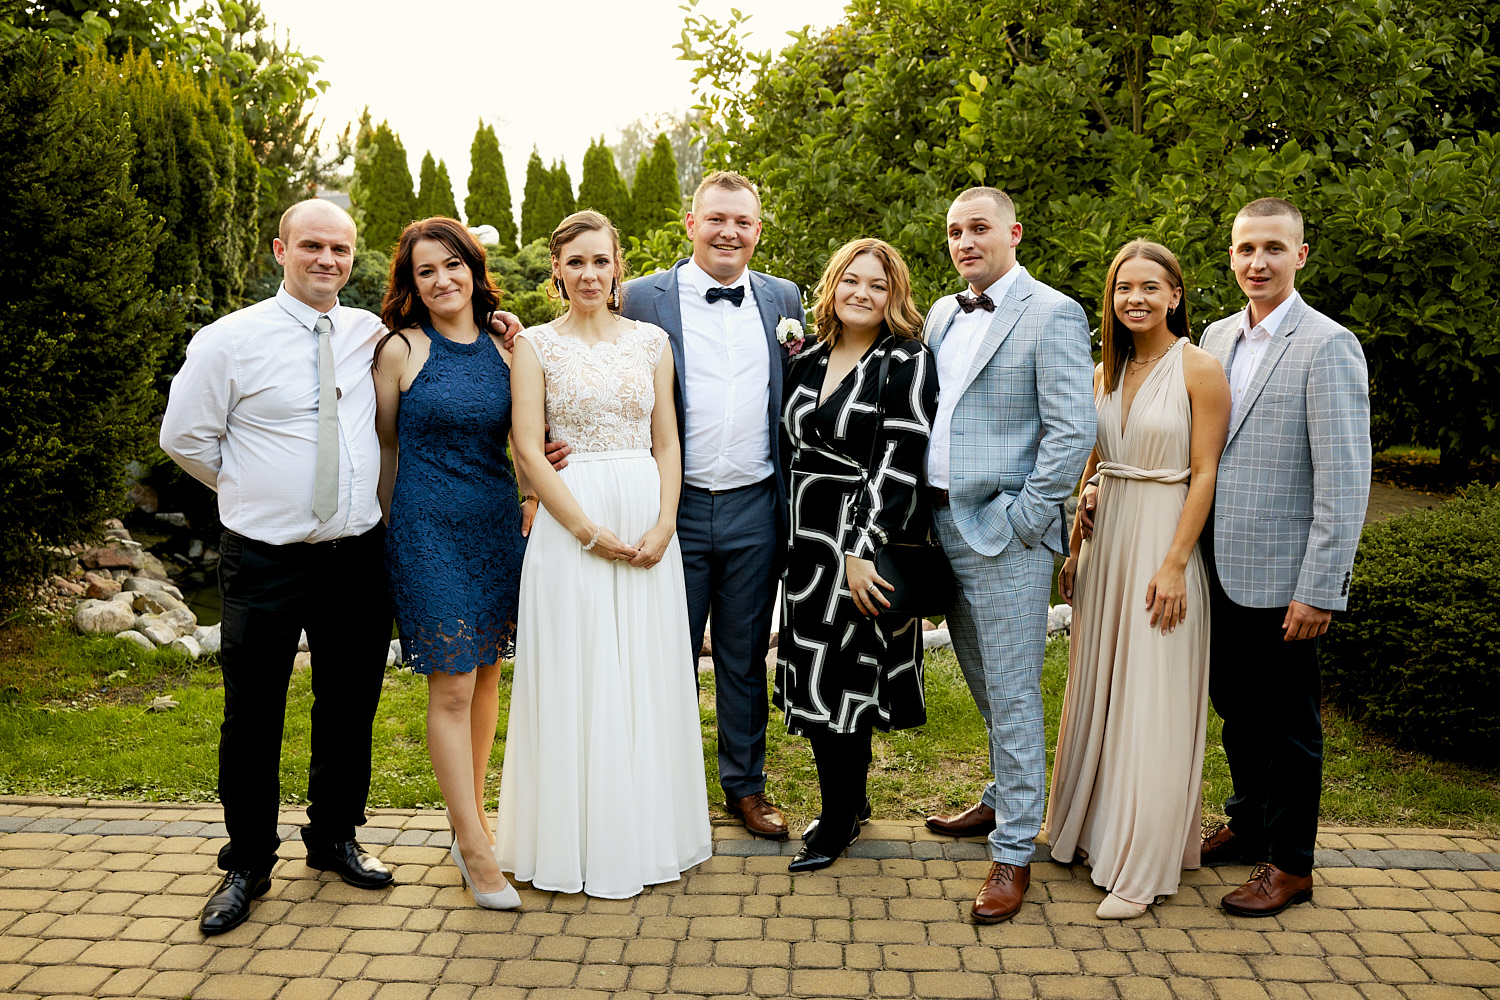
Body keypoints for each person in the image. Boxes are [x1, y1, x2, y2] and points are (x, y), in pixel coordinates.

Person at [160, 199, 521, 935]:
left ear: (353, 259)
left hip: (357, 552)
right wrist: (253, 492)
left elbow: (439, 371)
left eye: (340, 249)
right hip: (265, 555)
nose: (326, 259)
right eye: (312, 246)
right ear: (280, 250)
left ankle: (333, 838)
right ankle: (247, 861)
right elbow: (185, 438)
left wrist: (501, 325)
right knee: (253, 712)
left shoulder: (367, 335)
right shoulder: (229, 341)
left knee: (350, 706)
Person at [1089, 198, 1368, 917]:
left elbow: (1344, 477)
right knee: (1237, 711)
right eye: (1246, 249)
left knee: (1290, 722)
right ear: (1232, 256)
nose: (1258, 262)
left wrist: (1320, 587)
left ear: (1300, 255)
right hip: (1210, 563)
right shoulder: (1215, 336)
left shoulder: (1328, 344)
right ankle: (1248, 823)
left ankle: (1290, 863)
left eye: (1274, 248)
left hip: (1281, 571)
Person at [496, 210, 711, 898]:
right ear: (556, 271)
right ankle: (570, 840)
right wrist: (586, 530)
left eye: (600, 261)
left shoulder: (652, 342)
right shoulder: (534, 346)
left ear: (619, 267)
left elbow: (667, 441)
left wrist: (665, 523)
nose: (589, 274)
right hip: (572, 521)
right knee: (577, 667)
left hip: (647, 513)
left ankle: (648, 832)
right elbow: (529, 447)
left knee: (645, 668)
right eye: (575, 262)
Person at [920, 187, 1097, 924]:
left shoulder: (1052, 313)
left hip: (1006, 533)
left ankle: (1016, 849)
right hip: (940, 525)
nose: (965, 242)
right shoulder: (940, 312)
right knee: (983, 683)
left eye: (979, 228)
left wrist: (1025, 520)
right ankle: (1001, 797)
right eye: (955, 232)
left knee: (1015, 691)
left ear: (1014, 232)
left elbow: (1071, 431)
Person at [617, 171, 806, 839]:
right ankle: (659, 789)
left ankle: (745, 787)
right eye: (717, 219)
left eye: (743, 222)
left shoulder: (783, 298)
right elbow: (591, 360)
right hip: (671, 506)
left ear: (758, 230)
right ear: (691, 224)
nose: (730, 232)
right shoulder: (640, 297)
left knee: (744, 654)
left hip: (757, 503)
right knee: (662, 653)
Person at [1043, 241, 1230, 919]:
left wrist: (1176, 563)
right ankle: (1092, 834)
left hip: (1161, 542)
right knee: (1101, 691)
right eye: (1124, 288)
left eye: (1151, 287)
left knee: (1151, 698)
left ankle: (1141, 867)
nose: (1136, 299)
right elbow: (1094, 463)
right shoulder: (1106, 371)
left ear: (1175, 295)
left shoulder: (1199, 368)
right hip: (1106, 545)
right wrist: (1074, 548)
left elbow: (1205, 473)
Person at [373, 217, 528, 910]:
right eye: (425, 271)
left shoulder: (507, 346)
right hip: (425, 530)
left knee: (488, 672)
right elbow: (384, 445)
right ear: (411, 283)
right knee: (454, 684)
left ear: (473, 268)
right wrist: (391, 528)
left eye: (452, 265)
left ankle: (473, 821)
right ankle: (472, 846)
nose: (441, 280)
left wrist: (535, 490)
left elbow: (529, 438)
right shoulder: (401, 349)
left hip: (495, 525)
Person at [776, 239, 938, 873]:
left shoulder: (906, 360)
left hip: (858, 542)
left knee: (847, 682)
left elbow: (900, 462)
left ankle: (837, 819)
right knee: (818, 675)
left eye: (878, 284)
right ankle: (852, 802)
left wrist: (861, 549)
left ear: (894, 295)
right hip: (805, 544)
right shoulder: (809, 356)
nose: (862, 293)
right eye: (852, 280)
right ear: (833, 286)